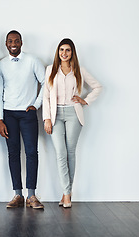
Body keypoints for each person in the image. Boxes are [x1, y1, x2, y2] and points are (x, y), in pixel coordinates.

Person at [43, 38, 102, 208]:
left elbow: (97, 87)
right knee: (60, 153)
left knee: (70, 153)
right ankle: (67, 193)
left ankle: (66, 193)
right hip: (55, 116)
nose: (64, 53)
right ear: (58, 52)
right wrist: (47, 118)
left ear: (72, 52)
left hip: (73, 114)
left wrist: (85, 100)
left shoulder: (79, 70)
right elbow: (45, 96)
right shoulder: (50, 70)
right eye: (61, 50)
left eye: (68, 50)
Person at [0, 30, 45, 209]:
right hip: (9, 115)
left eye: (16, 40)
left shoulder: (32, 61)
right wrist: (0, 119)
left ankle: (31, 195)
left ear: (21, 42)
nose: (13, 43)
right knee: (13, 153)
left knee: (31, 153)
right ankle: (17, 195)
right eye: (10, 41)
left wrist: (36, 105)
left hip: (28, 113)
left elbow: (46, 82)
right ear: (6, 44)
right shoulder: (1, 65)